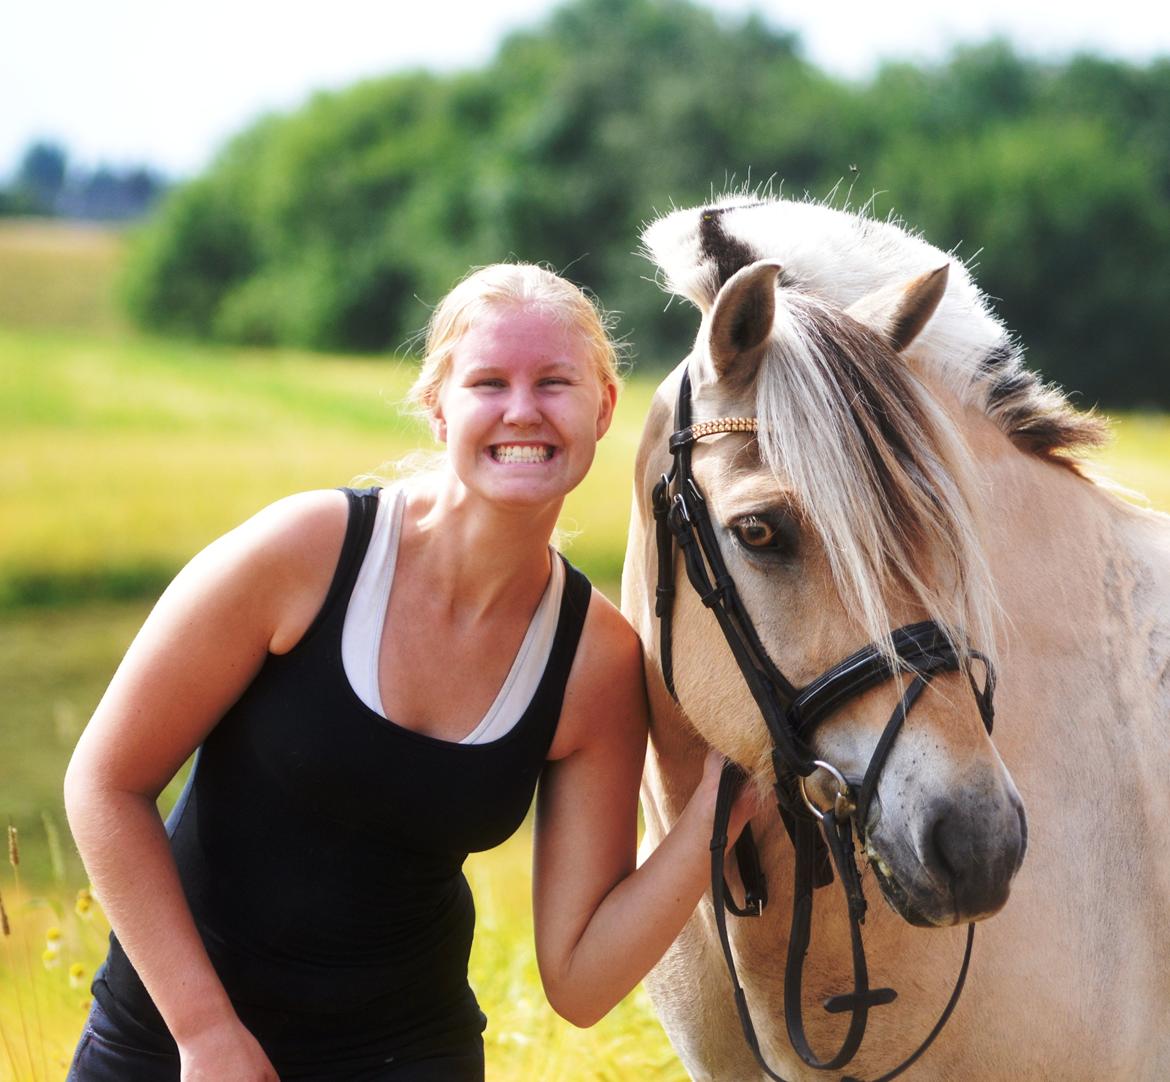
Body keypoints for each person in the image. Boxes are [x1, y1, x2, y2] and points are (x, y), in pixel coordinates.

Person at [63, 263, 755, 1081]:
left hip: (405, 1056)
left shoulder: (594, 664)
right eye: (489, 382)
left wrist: (720, 812)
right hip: (171, 1045)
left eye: (555, 383)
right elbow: (104, 784)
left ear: (603, 409)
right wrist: (205, 1031)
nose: (523, 410)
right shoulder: (304, 554)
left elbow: (580, 979)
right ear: (438, 407)